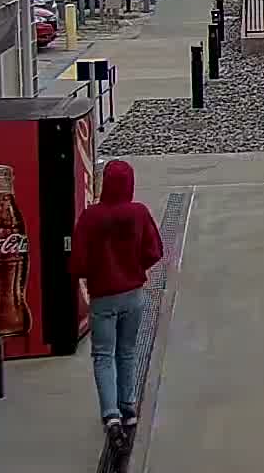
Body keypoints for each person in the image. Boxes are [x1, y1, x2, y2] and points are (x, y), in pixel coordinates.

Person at [69, 159, 164, 442]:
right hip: (133, 295)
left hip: (102, 298)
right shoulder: (138, 213)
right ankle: (128, 406)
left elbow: (77, 263)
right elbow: (154, 250)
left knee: (103, 355)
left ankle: (110, 414)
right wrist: (136, 268)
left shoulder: (90, 217)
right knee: (127, 351)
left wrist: (95, 274)